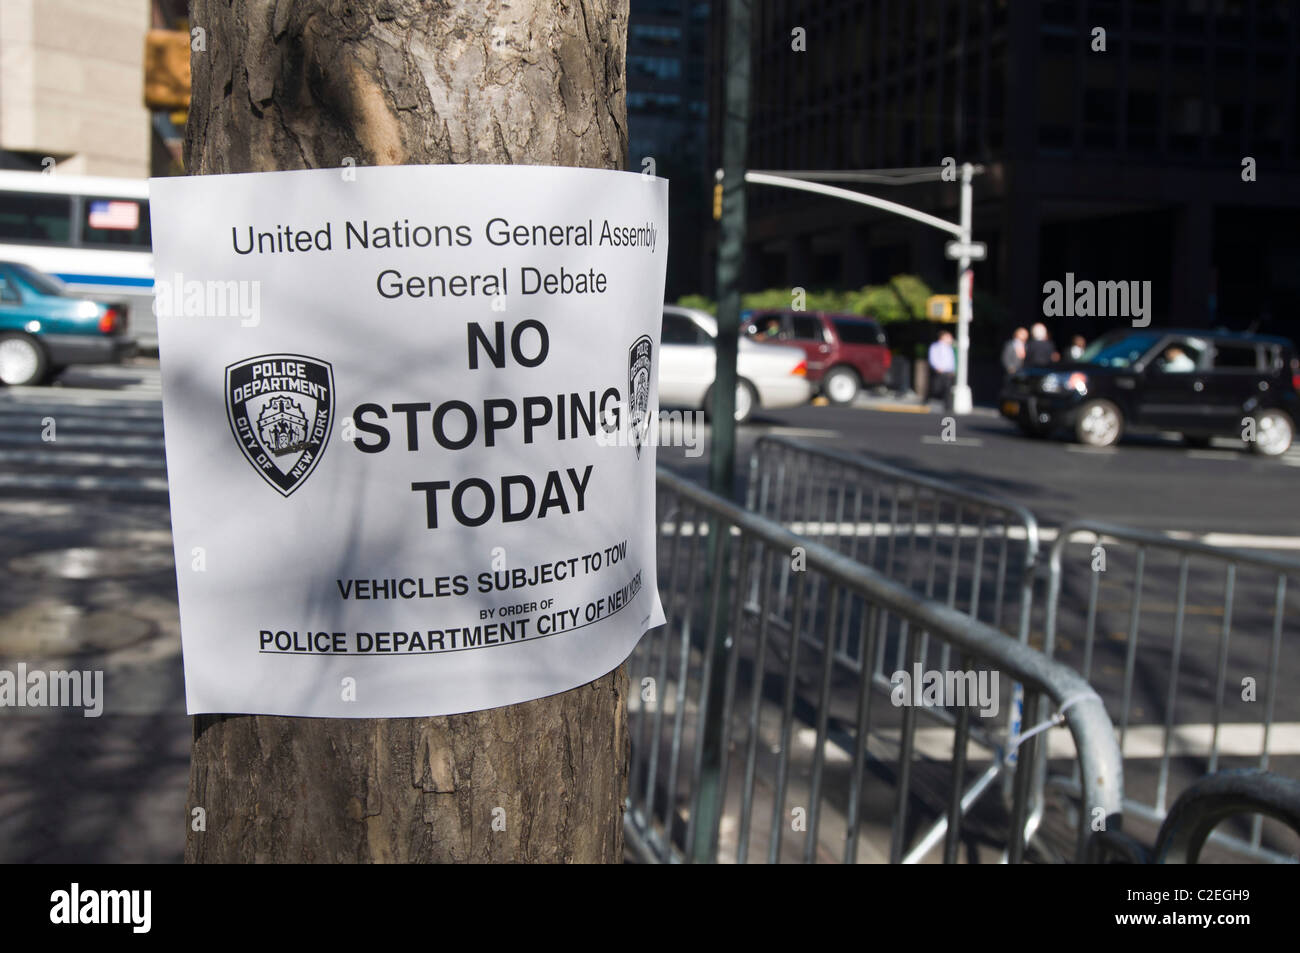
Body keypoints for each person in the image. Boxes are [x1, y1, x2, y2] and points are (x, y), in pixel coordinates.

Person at [927, 331, 956, 405]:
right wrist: (937, 367)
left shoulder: (949, 347)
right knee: (935, 388)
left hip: (948, 372)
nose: (951, 339)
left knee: (948, 390)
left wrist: (952, 370)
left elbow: (951, 360)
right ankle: (930, 402)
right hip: (940, 371)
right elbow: (933, 358)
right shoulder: (936, 346)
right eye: (948, 337)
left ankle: (947, 406)